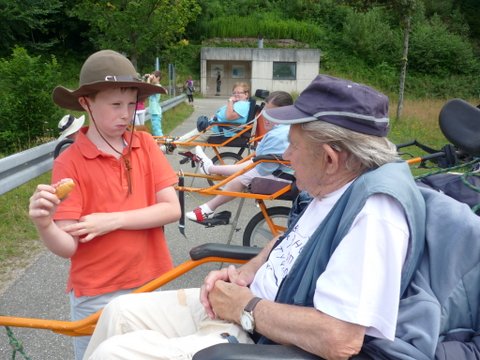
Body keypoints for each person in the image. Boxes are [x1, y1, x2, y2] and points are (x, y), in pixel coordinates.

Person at [82, 74, 429, 360]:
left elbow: (340, 338)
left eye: (292, 145)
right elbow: (289, 239)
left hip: (260, 338)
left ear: (330, 158)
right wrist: (246, 273)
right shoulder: (332, 188)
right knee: (121, 311)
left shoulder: (375, 216)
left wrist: (246, 307)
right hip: (245, 311)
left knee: (114, 353)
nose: (286, 156)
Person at [28, 49, 181, 360]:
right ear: (87, 103)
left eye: (131, 104)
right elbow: (68, 244)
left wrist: (111, 220)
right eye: (115, 105)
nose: (125, 115)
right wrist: (44, 224)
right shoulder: (70, 161)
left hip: (151, 281)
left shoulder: (145, 145)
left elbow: (171, 209)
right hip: (97, 294)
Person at [186, 91, 293, 222]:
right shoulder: (286, 129)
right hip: (285, 171)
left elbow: (260, 168)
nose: (265, 115)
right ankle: (210, 177)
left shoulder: (278, 134)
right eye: (265, 110)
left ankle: (210, 175)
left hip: (287, 176)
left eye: (271, 112)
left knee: (244, 176)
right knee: (246, 171)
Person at [173, 82, 251, 152]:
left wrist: (230, 101)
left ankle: (173, 147)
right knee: (189, 136)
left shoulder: (243, 104)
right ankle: (173, 143)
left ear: (246, 94)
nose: (236, 94)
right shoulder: (239, 103)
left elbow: (229, 116)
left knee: (190, 140)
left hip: (218, 130)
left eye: (239, 92)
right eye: (234, 92)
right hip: (214, 126)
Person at [146, 70, 165, 136]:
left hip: (156, 112)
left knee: (157, 130)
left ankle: (163, 144)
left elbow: (148, 89)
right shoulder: (155, 86)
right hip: (154, 112)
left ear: (158, 78)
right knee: (155, 130)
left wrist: (148, 79)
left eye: (153, 77)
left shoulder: (158, 86)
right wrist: (148, 78)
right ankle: (160, 144)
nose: (152, 79)